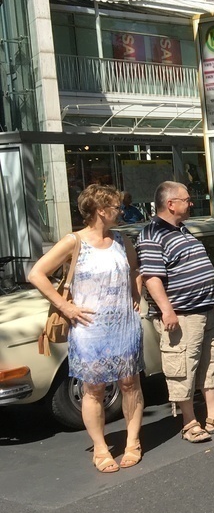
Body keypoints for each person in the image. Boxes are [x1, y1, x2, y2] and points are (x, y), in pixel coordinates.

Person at [28, 184, 145, 472]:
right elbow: (36, 273)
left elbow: (135, 269)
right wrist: (66, 307)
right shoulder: (74, 241)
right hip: (89, 327)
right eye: (116, 207)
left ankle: (133, 442)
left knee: (130, 384)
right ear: (100, 210)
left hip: (124, 324)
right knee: (94, 389)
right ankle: (101, 448)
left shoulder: (121, 240)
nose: (121, 210)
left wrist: (135, 296)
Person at [138, 181, 214, 443]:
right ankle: (189, 422)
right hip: (181, 315)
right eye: (187, 199)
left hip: (204, 310)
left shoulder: (181, 229)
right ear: (170, 204)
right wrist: (167, 311)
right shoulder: (152, 234)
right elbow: (152, 277)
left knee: (211, 363)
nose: (191, 203)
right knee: (182, 367)